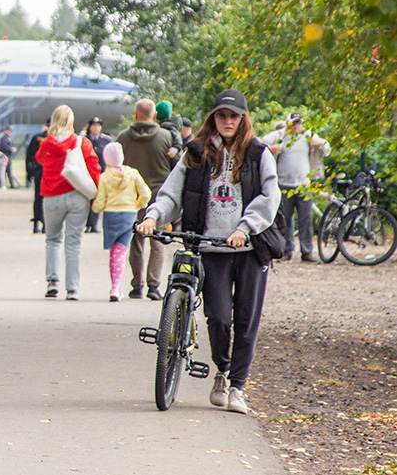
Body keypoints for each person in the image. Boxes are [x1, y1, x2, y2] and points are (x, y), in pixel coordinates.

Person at [136, 88, 280, 415]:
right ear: (213, 118)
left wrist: (244, 229)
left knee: (246, 320)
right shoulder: (197, 152)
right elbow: (172, 193)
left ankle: (238, 387)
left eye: (233, 116)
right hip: (210, 247)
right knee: (218, 317)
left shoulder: (259, 153)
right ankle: (223, 371)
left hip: (249, 248)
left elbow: (270, 198)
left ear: (243, 119)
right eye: (222, 115)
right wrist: (153, 216)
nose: (227, 121)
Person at [37, 105, 101, 300]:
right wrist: (96, 192)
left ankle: (52, 282)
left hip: (51, 196)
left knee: (53, 239)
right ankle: (72, 289)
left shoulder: (46, 144)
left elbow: (39, 159)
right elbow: (94, 168)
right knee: (74, 242)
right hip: (77, 196)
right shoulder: (81, 142)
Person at [117, 99, 174, 300]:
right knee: (157, 242)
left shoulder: (123, 138)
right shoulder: (166, 137)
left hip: (132, 197)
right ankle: (153, 285)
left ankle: (136, 285)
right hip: (160, 197)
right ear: (154, 115)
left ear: (136, 114)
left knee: (136, 241)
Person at [263, 112, 330, 262]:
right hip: (284, 184)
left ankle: (307, 251)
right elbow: (263, 142)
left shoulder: (308, 137)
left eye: (299, 122)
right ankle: (287, 250)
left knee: (305, 219)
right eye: (294, 123)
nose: (297, 125)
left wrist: (317, 141)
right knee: (285, 220)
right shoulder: (282, 137)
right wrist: (283, 130)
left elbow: (327, 149)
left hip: (303, 185)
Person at [91, 142, 151, 301]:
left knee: (114, 253)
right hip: (129, 215)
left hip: (111, 216)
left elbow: (100, 201)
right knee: (121, 251)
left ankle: (115, 287)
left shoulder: (104, 177)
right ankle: (116, 288)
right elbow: (146, 193)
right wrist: (137, 205)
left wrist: (96, 208)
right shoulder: (133, 173)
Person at [84, 117, 113, 233]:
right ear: (90, 127)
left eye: (98, 125)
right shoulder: (84, 140)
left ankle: (93, 224)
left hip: (101, 174)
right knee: (86, 199)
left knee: (97, 199)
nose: (96, 128)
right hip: (86, 174)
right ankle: (87, 223)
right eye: (94, 125)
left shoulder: (106, 141)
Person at [26, 122, 48, 233]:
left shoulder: (54, 138)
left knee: (42, 199)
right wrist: (29, 172)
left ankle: (43, 223)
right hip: (41, 172)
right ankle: (38, 222)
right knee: (40, 198)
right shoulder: (38, 138)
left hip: (47, 172)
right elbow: (30, 155)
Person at [156, 100, 184, 166]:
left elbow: (177, 137)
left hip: (173, 158)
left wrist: (176, 148)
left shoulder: (167, 125)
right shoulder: (173, 123)